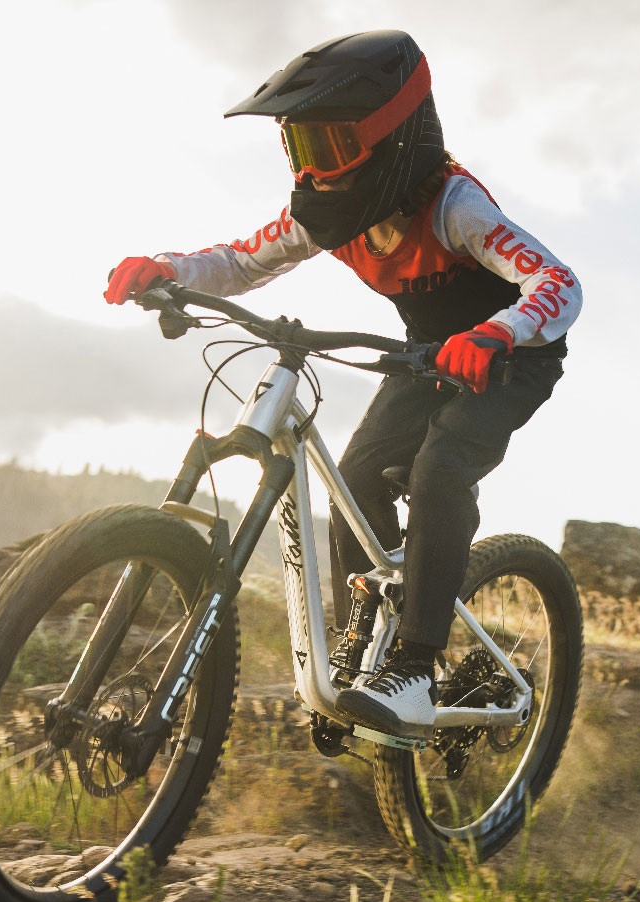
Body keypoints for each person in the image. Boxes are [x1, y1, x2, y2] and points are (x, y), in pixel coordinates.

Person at [101, 29, 581, 739]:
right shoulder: (327, 218)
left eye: (331, 148)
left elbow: (557, 281)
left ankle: (415, 666)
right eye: (300, 149)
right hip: (428, 355)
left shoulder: (453, 206)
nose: (315, 171)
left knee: (441, 468)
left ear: (392, 141)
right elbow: (240, 262)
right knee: (356, 479)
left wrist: (501, 332)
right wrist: (168, 269)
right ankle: (373, 648)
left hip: (512, 355)